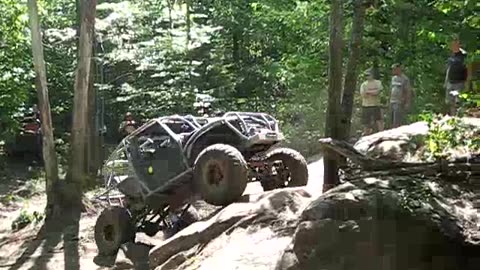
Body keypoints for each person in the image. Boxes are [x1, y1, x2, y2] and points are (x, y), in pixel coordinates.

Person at [444, 36, 468, 115]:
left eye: (455, 44)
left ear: (459, 44)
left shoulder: (464, 55)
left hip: (460, 82)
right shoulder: (451, 56)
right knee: (450, 102)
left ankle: (460, 117)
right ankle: (453, 117)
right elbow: (448, 69)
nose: (453, 46)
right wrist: (446, 81)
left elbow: (468, 68)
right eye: (452, 44)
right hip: (450, 82)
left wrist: (467, 82)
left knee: (458, 102)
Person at [360, 69, 384, 135]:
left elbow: (377, 92)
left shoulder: (378, 82)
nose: (367, 76)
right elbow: (363, 94)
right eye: (366, 75)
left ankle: (382, 134)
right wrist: (373, 92)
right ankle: (366, 134)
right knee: (366, 122)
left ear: (372, 75)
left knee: (378, 120)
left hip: (375, 105)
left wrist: (368, 91)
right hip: (366, 105)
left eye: (368, 75)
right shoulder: (363, 84)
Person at [389, 63, 413, 128]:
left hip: (399, 102)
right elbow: (391, 89)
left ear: (398, 69)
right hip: (392, 101)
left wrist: (407, 102)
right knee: (391, 119)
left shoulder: (405, 79)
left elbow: (408, 91)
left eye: (394, 69)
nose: (393, 71)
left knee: (397, 120)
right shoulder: (393, 78)